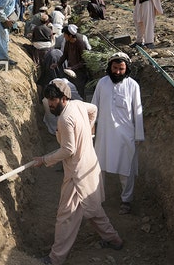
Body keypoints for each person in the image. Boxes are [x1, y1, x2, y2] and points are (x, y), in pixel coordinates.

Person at [33, 80, 123, 265]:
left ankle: (55, 259)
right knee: (93, 207)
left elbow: (68, 150)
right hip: (89, 164)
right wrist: (88, 131)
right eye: (48, 100)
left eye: (53, 100)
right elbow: (94, 110)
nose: (50, 104)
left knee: (66, 216)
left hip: (77, 174)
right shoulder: (78, 104)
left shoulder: (65, 119)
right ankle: (114, 240)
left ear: (64, 98)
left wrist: (44, 160)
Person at [91, 52, 144, 215]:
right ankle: (97, 198)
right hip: (104, 135)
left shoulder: (133, 85)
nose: (118, 72)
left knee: (125, 169)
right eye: (115, 68)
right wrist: (90, 128)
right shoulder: (102, 83)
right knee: (99, 168)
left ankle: (126, 201)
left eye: (121, 69)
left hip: (125, 136)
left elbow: (138, 110)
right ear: (110, 67)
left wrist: (138, 135)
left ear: (127, 68)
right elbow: (93, 107)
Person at [52, 24, 89, 99]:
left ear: (70, 36)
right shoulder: (68, 43)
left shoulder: (80, 44)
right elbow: (65, 55)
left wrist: (73, 68)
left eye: (65, 35)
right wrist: (57, 64)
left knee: (79, 90)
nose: (64, 36)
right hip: (70, 70)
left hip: (80, 72)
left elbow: (84, 61)